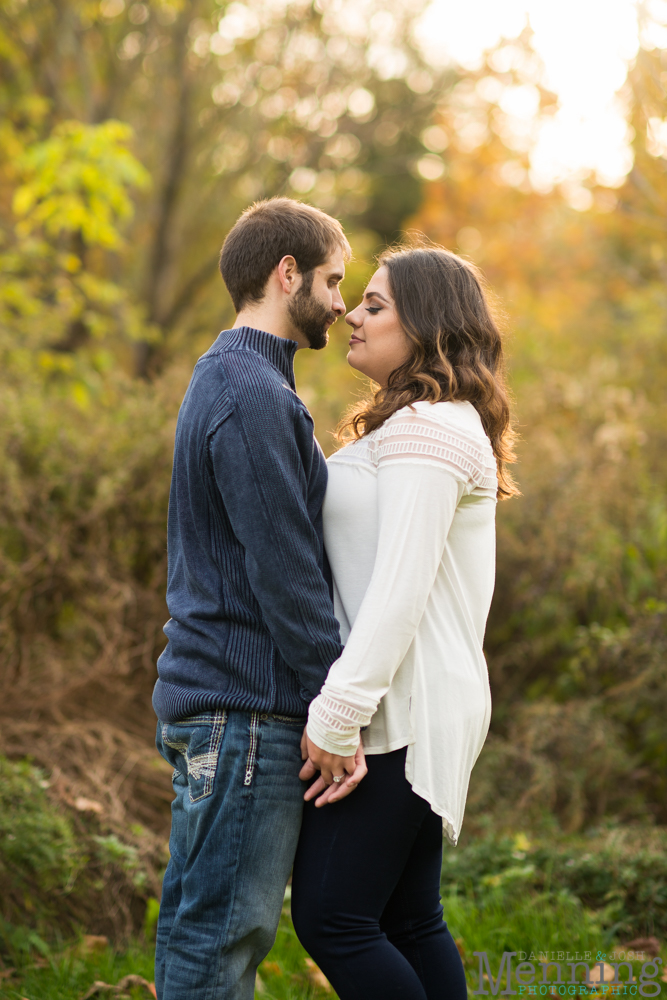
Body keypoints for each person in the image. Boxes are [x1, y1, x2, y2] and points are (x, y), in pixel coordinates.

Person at [291, 243, 519, 1000]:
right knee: (405, 919)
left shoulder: (430, 429)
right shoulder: (420, 424)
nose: (352, 315)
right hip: (418, 699)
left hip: (401, 709)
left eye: (376, 305)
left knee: (336, 919)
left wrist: (338, 712)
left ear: (425, 325)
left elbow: (400, 589)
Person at [152, 197, 366, 1000]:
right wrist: (335, 707)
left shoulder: (242, 380)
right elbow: (285, 573)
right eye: (333, 280)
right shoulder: (249, 393)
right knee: (219, 942)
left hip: (222, 709)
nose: (341, 303)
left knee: (201, 930)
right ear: (288, 275)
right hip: (241, 712)